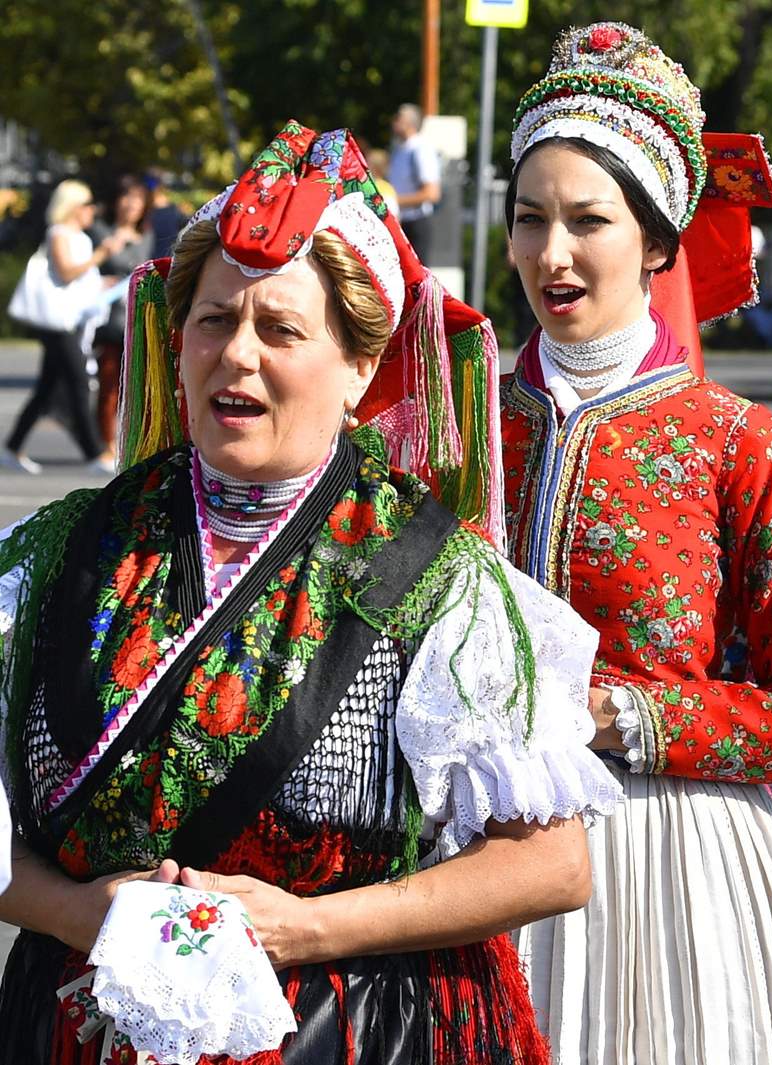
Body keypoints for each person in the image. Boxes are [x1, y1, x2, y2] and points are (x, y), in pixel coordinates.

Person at [0, 122, 621, 1063]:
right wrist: (75, 910)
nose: (236, 355)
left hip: (350, 1027)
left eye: (281, 328)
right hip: (75, 1023)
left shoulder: (442, 583)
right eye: (213, 320)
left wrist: (305, 927)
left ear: (361, 367)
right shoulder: (63, 550)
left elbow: (551, 861)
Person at [499, 24, 772, 1064]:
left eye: (586, 221)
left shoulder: (740, 444)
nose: (551, 254)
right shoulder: (457, 426)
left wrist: (620, 714)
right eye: (529, 221)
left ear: (658, 242)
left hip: (661, 874)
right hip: (459, 865)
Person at [4, 179, 121, 474]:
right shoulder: (59, 233)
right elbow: (67, 272)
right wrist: (102, 255)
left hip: (72, 319)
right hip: (58, 323)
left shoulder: (80, 237)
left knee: (45, 390)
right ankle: (94, 453)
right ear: (73, 206)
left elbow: (80, 280)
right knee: (79, 383)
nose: (91, 210)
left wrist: (103, 281)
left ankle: (12, 446)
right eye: (87, 204)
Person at [91, 174, 154, 456]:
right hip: (108, 322)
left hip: (137, 321)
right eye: (126, 198)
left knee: (137, 387)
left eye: (137, 199)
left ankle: (131, 441)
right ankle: (106, 444)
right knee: (109, 385)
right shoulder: (101, 232)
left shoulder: (147, 235)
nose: (131, 205)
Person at [390, 103, 442, 263]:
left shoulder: (420, 149)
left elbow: (432, 193)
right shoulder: (400, 149)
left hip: (416, 223)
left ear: (409, 123)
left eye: (399, 117)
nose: (394, 121)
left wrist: (393, 201)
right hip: (401, 221)